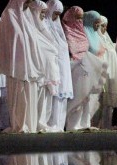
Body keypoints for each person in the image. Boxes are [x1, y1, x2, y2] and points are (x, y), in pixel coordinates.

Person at [0, 0, 44, 133]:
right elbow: (13, 39)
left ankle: (30, 124)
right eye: (26, 2)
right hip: (16, 66)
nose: (27, 5)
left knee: (30, 94)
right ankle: (19, 125)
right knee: (19, 95)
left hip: (29, 65)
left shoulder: (26, 15)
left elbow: (33, 38)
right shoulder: (9, 14)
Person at [62, 6, 107, 131]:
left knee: (85, 99)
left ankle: (83, 123)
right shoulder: (66, 31)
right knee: (76, 99)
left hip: (85, 69)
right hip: (73, 68)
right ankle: (72, 125)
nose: (79, 21)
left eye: (81, 18)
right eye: (77, 18)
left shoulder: (81, 32)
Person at [29, 0, 60, 132]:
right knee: (38, 99)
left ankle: (43, 122)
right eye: (41, 12)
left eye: (44, 12)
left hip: (48, 70)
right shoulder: (30, 26)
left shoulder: (42, 26)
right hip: (38, 70)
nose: (43, 15)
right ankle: (36, 122)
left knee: (46, 99)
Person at [45, 0, 73, 132]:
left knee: (62, 96)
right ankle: (51, 124)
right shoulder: (44, 25)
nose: (56, 17)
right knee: (53, 95)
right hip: (52, 67)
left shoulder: (58, 27)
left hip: (62, 66)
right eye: (55, 13)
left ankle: (59, 125)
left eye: (58, 14)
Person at [97, 16, 117, 129]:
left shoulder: (107, 39)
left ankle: (106, 125)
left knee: (108, 102)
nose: (104, 28)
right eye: (102, 26)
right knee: (99, 100)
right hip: (101, 73)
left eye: (106, 26)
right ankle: (96, 124)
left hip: (110, 74)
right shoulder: (95, 39)